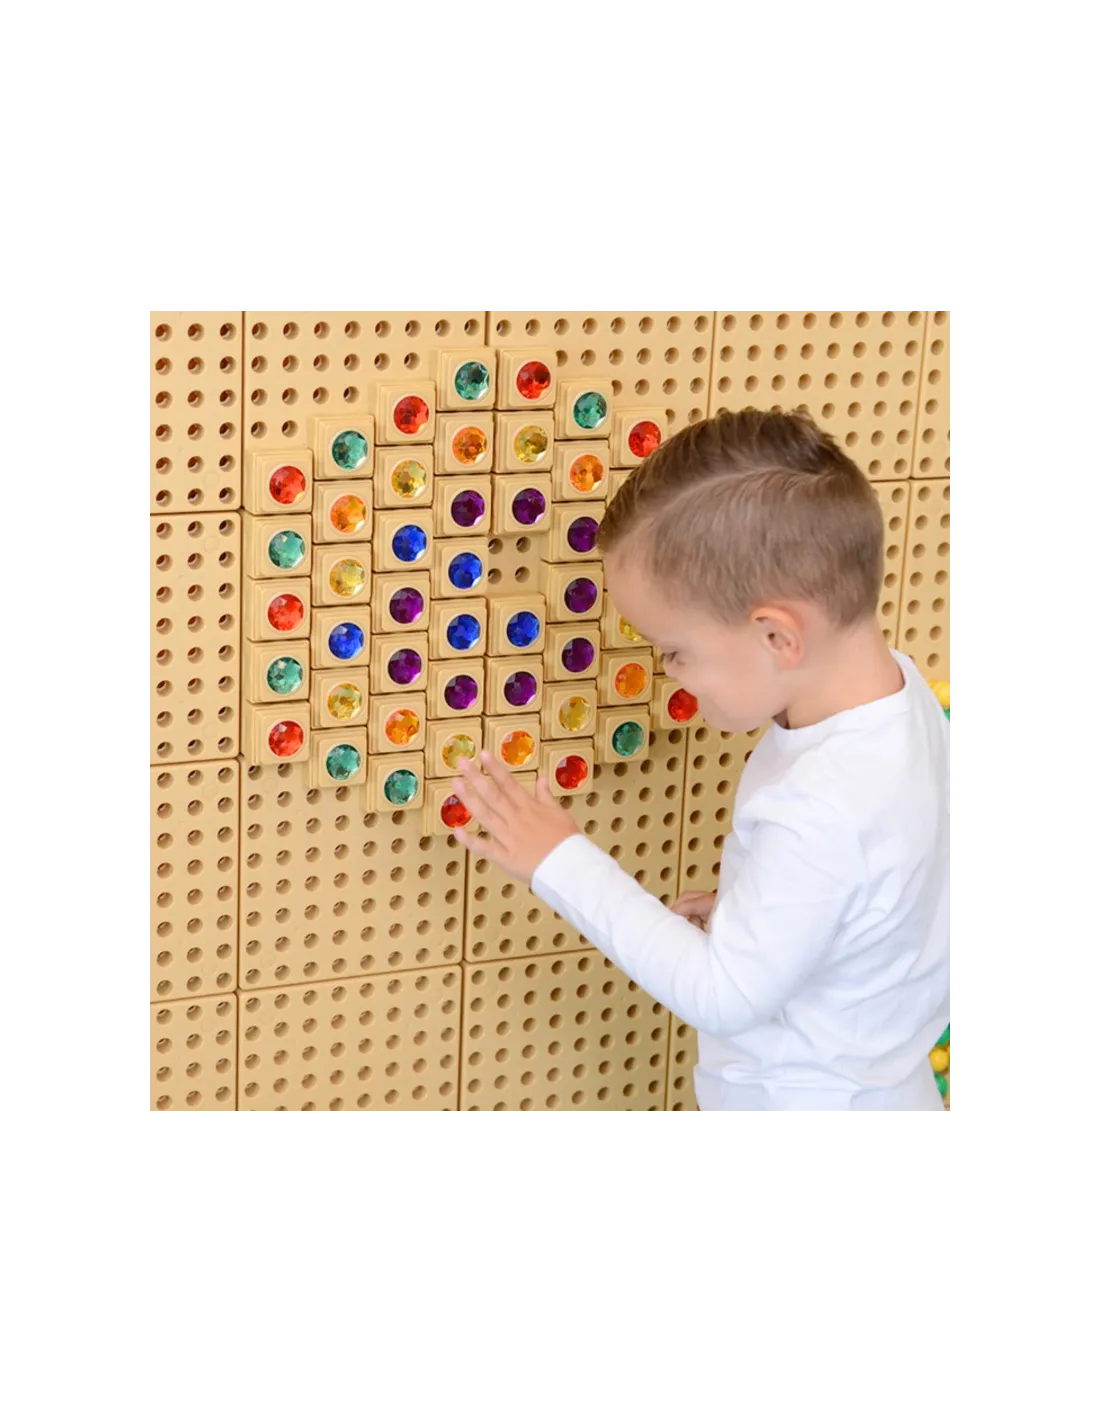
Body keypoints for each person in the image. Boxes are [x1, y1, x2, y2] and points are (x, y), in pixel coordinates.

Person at [451, 409, 950, 1112]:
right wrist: (780, 916)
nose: (670, 674)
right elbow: (893, 882)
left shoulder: (822, 804)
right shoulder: (903, 698)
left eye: (676, 652)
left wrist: (560, 860)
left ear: (778, 637)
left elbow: (723, 995)